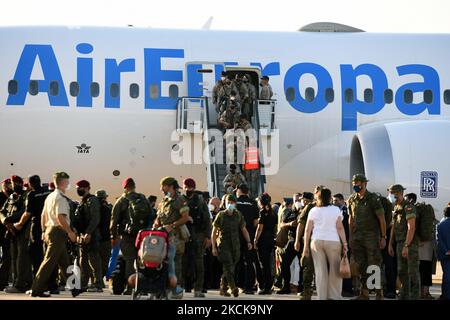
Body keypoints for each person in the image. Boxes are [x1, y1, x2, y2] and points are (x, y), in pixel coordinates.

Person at [30, 172, 76, 298]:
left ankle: (75, 288)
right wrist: (70, 232)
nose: (68, 184)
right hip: (58, 231)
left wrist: (44, 231)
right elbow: (60, 217)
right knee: (49, 261)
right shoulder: (60, 198)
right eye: (67, 181)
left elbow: (42, 216)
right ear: (63, 183)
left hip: (50, 230)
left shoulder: (50, 197)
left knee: (64, 261)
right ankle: (36, 289)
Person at [303, 188, 348, 300]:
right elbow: (340, 227)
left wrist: (305, 246)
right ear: (329, 197)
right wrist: (345, 243)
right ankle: (334, 296)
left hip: (316, 241)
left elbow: (307, 229)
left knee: (320, 271)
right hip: (333, 241)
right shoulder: (335, 210)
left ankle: (322, 297)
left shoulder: (313, 210)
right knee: (335, 270)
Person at [348, 174, 386, 300]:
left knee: (374, 265)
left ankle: (378, 293)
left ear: (365, 184)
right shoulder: (352, 199)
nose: (356, 185)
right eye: (354, 183)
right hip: (357, 237)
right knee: (361, 265)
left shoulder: (373, 199)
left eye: (358, 183)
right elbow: (351, 219)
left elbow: (381, 219)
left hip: (371, 237)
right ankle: (364, 293)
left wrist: (383, 237)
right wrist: (350, 237)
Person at [110, 177, 151, 294]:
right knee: (142, 261)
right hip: (142, 235)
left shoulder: (122, 200)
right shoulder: (143, 199)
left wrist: (113, 236)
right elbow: (150, 215)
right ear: (134, 186)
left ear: (125, 188)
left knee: (129, 260)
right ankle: (142, 288)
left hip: (127, 236)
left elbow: (114, 220)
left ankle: (130, 287)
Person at [153, 176, 190, 299]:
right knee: (162, 262)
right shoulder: (164, 201)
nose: (161, 189)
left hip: (175, 237)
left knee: (174, 262)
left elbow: (185, 217)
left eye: (163, 186)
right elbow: (159, 216)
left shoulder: (179, 200)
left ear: (170, 187)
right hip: (162, 237)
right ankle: (163, 288)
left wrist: (172, 225)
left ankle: (176, 289)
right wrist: (156, 224)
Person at [211, 194, 253, 298]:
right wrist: (213, 247)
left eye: (232, 203)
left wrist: (249, 241)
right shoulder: (220, 215)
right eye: (228, 203)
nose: (230, 205)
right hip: (223, 245)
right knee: (228, 266)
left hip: (235, 246)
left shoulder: (238, 215)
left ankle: (223, 288)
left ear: (235, 204)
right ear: (225, 204)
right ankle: (233, 288)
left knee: (230, 268)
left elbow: (244, 229)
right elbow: (214, 232)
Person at [13, 175, 52, 278]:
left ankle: (38, 279)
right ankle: (52, 284)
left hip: (37, 226)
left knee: (36, 254)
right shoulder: (48, 192)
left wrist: (19, 224)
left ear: (30, 184)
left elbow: (28, 213)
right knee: (49, 253)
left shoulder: (32, 194)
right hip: (49, 224)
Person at [0, 175, 32, 293]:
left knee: (21, 258)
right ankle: (17, 282)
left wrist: (11, 221)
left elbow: (24, 211)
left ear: (18, 184)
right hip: (12, 231)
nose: (12, 186)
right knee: (14, 258)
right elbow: (2, 211)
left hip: (22, 231)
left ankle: (22, 284)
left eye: (13, 184)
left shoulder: (26, 196)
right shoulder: (11, 197)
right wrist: (5, 221)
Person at [388, 184, 420, 300]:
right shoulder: (396, 207)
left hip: (409, 244)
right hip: (399, 243)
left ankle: (414, 296)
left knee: (412, 272)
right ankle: (405, 295)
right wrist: (390, 244)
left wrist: (406, 245)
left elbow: (411, 227)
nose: (391, 195)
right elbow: (393, 227)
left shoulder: (408, 207)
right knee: (401, 271)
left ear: (399, 193)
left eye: (392, 193)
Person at [182, 178, 212, 298]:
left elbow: (207, 220)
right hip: (183, 234)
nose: (188, 189)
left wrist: (208, 237)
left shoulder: (200, 201)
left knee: (199, 263)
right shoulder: (180, 200)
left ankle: (198, 289)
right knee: (182, 263)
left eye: (190, 187)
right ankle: (181, 287)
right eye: (186, 187)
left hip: (198, 235)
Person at [404, 192, 435, 300]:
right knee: (426, 269)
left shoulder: (412, 209)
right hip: (427, 244)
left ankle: (415, 292)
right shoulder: (424, 209)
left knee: (416, 269)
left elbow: (412, 227)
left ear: (410, 199)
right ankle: (425, 292)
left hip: (417, 243)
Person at [235, 183, 262, 294]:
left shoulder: (235, 202)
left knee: (237, 260)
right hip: (249, 235)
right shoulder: (253, 203)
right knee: (249, 261)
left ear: (239, 191)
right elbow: (256, 222)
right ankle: (249, 286)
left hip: (236, 235)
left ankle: (238, 284)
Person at [294, 190, 319, 300]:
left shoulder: (330, 207)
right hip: (310, 241)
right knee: (308, 267)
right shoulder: (310, 207)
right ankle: (307, 292)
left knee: (324, 268)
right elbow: (301, 224)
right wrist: (297, 240)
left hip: (326, 242)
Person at [254, 192, 277, 294]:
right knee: (268, 263)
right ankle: (269, 285)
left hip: (263, 240)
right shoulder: (273, 212)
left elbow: (260, 228)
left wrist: (255, 239)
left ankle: (266, 287)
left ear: (261, 202)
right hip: (270, 240)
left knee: (264, 264)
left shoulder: (262, 212)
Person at [277, 197, 301, 295]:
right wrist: (290, 223)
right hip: (292, 241)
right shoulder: (291, 212)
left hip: (302, 241)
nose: (298, 202)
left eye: (300, 200)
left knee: (303, 265)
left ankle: (301, 287)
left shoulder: (306, 211)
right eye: (296, 201)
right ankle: (286, 286)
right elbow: (282, 224)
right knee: (285, 264)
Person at [333, 193, 353, 297]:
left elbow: (348, 226)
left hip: (344, 241)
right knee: (338, 265)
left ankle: (347, 289)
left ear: (341, 200)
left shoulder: (346, 211)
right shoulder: (335, 211)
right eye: (333, 200)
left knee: (345, 264)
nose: (334, 202)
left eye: (336, 200)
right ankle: (340, 289)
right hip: (337, 241)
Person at [95, 190, 112, 283]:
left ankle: (97, 280)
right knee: (105, 261)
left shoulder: (93, 208)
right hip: (105, 238)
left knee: (96, 261)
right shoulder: (106, 209)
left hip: (95, 238)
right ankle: (99, 280)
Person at [0, 178, 12, 290]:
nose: (8, 187)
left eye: (9, 185)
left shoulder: (13, 197)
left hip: (7, 232)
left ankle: (2, 281)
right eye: (6, 185)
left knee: (7, 257)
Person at [437, 207, 450, 300]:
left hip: (445, 254)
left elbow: (439, 240)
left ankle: (445, 295)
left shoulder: (440, 225)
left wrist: (446, 250)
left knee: (446, 275)